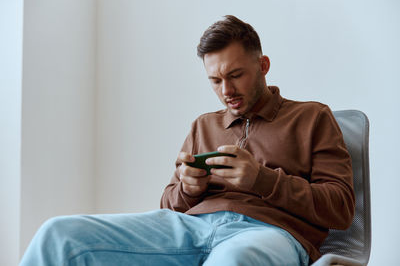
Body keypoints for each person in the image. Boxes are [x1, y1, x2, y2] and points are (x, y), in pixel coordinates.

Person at [20, 15, 354, 266]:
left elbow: (340, 209)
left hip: (270, 234)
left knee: (231, 262)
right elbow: (169, 205)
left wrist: (261, 180)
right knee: (59, 234)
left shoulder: (312, 117)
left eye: (236, 75)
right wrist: (188, 188)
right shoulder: (203, 125)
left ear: (263, 66)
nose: (227, 91)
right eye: (215, 80)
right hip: (188, 228)